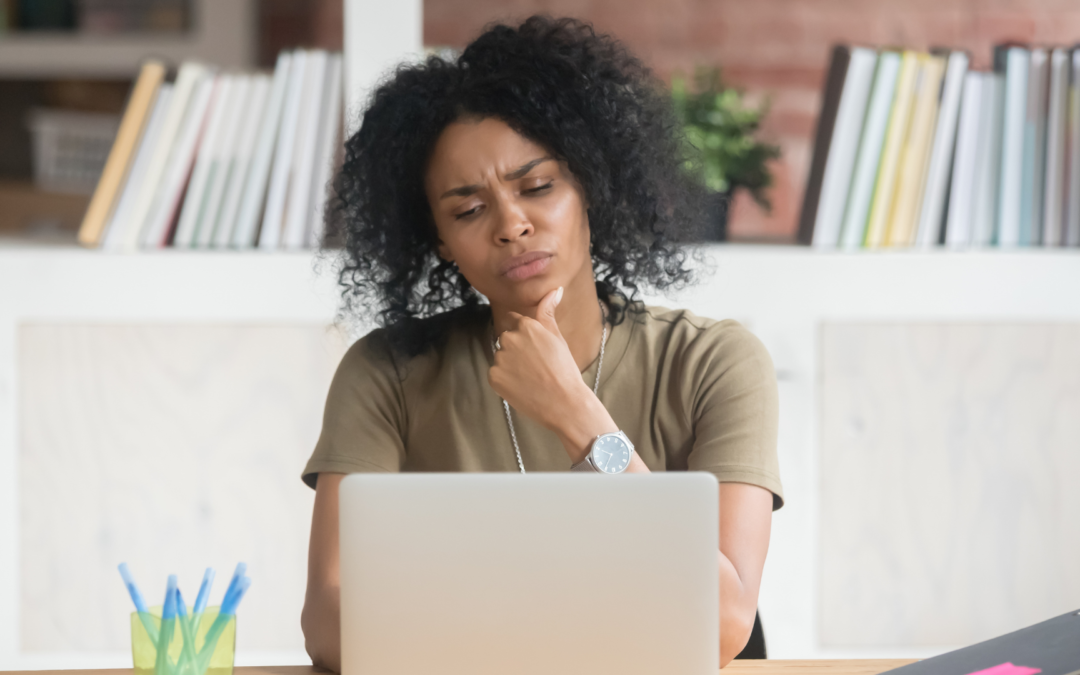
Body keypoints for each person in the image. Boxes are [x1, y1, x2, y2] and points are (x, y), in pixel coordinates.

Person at [300, 15, 783, 671]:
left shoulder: (712, 363)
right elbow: (329, 623)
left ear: (590, 183)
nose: (512, 225)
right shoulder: (387, 374)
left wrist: (577, 416)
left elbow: (725, 623)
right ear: (439, 240)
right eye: (468, 210)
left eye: (537, 186)